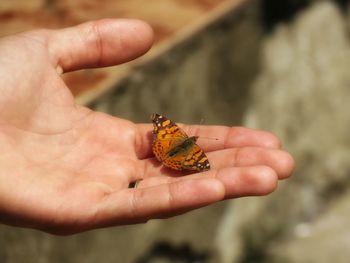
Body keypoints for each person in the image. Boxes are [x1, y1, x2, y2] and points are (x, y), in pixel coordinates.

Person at [0, 19, 294, 235]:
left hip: (163, 152)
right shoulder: (192, 151)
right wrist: (191, 161)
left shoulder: (171, 133)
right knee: (198, 163)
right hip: (172, 158)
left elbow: (169, 132)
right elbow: (199, 161)